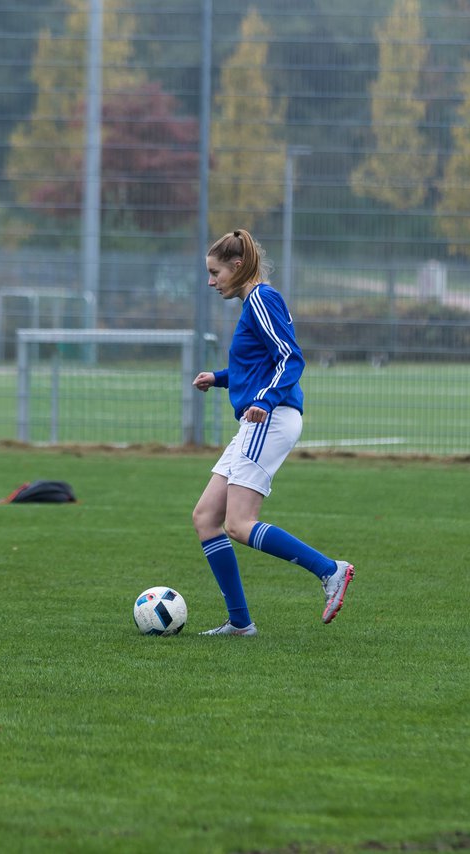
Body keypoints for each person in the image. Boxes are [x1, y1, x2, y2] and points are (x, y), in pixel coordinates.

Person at [191, 229, 354, 636]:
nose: (211, 282)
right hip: (259, 414)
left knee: (238, 523)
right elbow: (257, 365)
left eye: (215, 273)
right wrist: (221, 378)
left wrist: (265, 399)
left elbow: (289, 356)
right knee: (206, 518)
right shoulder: (253, 304)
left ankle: (330, 570)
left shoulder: (262, 298)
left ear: (237, 265)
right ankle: (240, 623)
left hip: (271, 415)